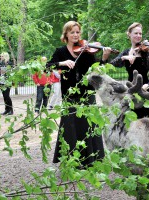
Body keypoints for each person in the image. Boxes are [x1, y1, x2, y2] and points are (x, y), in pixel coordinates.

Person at [46, 21, 107, 166]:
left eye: (78, 32)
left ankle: (91, 160)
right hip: (70, 96)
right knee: (70, 128)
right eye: (72, 32)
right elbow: (47, 66)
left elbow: (97, 69)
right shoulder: (60, 52)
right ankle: (72, 161)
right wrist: (62, 63)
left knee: (89, 126)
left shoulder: (86, 52)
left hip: (87, 94)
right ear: (66, 34)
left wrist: (104, 58)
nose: (75, 35)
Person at [102, 22, 149, 118]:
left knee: (147, 119)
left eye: (140, 33)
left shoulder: (145, 52)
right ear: (129, 34)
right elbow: (111, 65)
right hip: (130, 87)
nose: (138, 36)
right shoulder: (126, 52)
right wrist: (125, 57)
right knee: (133, 118)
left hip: (144, 87)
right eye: (136, 33)